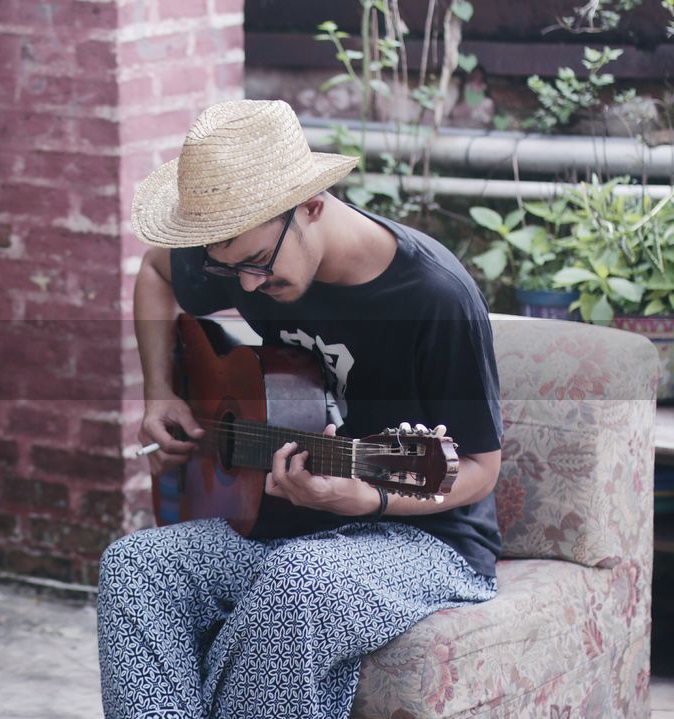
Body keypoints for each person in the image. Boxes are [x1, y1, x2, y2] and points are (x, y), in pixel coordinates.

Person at [97, 100, 503, 719]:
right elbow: (155, 271)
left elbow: (477, 465)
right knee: (137, 566)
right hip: (290, 526)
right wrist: (162, 390)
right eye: (228, 270)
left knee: (299, 582)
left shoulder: (434, 299)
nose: (246, 287)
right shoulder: (237, 253)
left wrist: (369, 498)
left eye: (258, 265)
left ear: (311, 206)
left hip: (424, 537)